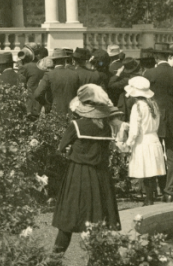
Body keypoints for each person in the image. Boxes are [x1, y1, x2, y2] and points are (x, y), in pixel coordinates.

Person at [51, 84, 123, 253]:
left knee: (69, 217)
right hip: (101, 176)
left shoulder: (76, 125)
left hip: (78, 174)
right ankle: (98, 265)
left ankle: (54, 261)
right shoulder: (106, 127)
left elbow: (60, 148)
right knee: (99, 217)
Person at [143, 43, 173, 202]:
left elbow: (146, 98)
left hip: (155, 116)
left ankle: (157, 188)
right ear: (168, 56)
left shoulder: (149, 74)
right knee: (172, 153)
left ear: (155, 56)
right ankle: (170, 190)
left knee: (155, 153)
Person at [117, 77, 166, 206]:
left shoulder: (137, 107)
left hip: (142, 141)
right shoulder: (153, 104)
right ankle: (151, 196)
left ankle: (148, 199)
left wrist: (128, 143)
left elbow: (135, 130)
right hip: (154, 139)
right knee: (152, 171)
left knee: (145, 171)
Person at [34, 49, 81, 117]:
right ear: (65, 60)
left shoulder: (49, 75)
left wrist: (46, 103)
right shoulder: (74, 74)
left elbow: (37, 94)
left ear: (53, 61)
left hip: (54, 113)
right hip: (72, 113)